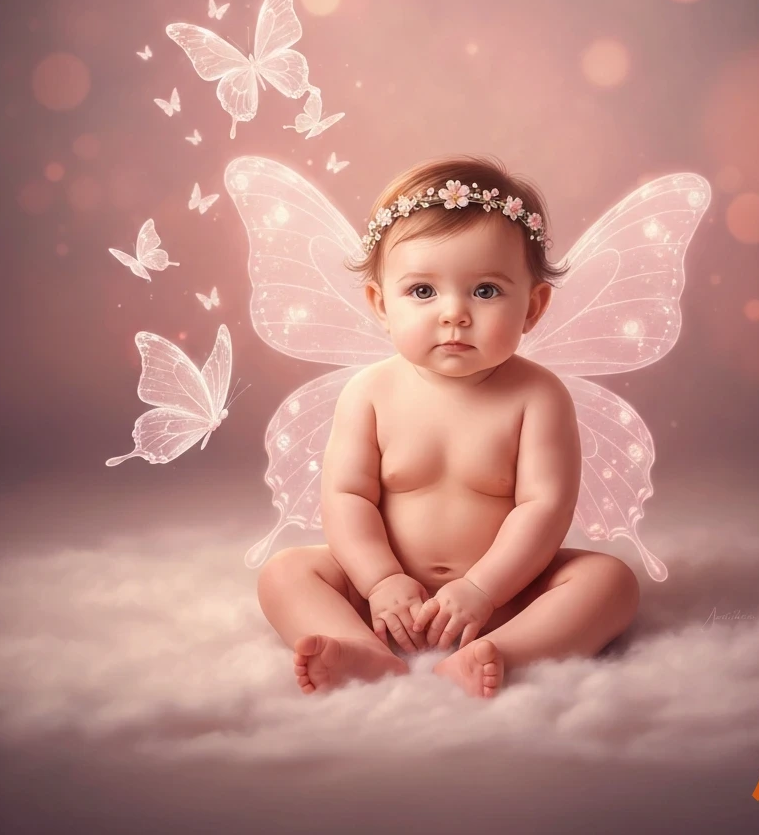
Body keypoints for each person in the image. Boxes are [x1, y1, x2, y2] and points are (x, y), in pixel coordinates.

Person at [256, 154, 641, 697]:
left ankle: (502, 651)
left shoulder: (538, 397)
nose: (454, 313)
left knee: (611, 583)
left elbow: (545, 507)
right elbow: (346, 498)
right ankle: (363, 651)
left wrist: (482, 588)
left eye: (485, 291)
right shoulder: (369, 393)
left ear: (533, 307)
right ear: (380, 303)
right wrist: (380, 580)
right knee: (285, 573)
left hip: (506, 596)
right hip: (385, 599)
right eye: (422, 291)